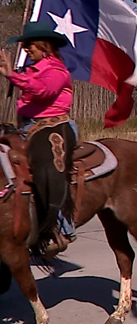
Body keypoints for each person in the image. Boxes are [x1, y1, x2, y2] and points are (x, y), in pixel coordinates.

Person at [0, 21, 77, 256]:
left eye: (29, 45)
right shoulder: (31, 69)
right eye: (24, 46)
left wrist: (13, 76)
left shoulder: (56, 70)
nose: (26, 49)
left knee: (46, 163)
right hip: (28, 126)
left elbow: (44, 90)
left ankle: (61, 227)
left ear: (45, 45)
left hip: (54, 126)